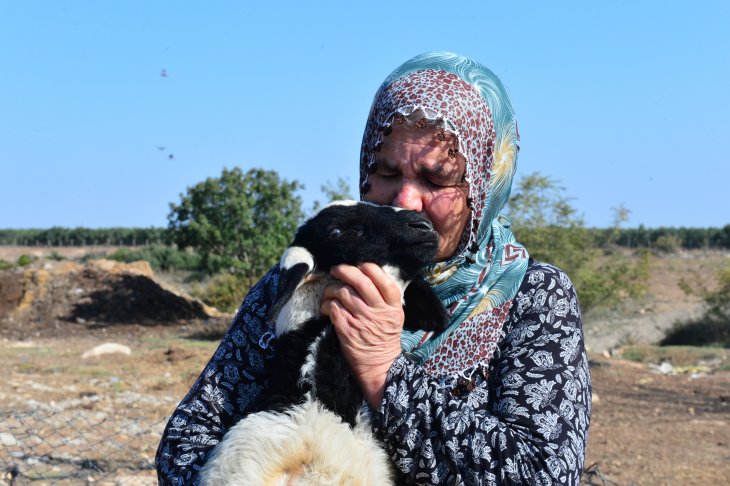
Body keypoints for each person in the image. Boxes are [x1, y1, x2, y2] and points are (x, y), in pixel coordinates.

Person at [156, 52, 591, 485]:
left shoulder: (534, 297)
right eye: (386, 172)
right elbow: (185, 443)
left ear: (483, 183)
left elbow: (543, 474)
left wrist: (384, 368)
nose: (406, 200)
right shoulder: (307, 281)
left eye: (436, 180)